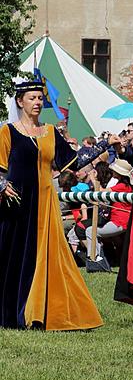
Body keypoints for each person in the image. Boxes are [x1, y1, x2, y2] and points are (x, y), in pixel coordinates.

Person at [0, 80, 114, 330]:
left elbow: (76, 161)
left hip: (44, 204)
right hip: (15, 203)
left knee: (46, 257)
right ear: (20, 101)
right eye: (32, 98)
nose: (38, 103)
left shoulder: (51, 132)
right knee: (14, 258)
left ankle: (41, 311)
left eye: (40, 98)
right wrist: (1, 185)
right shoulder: (8, 132)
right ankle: (10, 313)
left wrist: (105, 145)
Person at [83, 159, 133, 259]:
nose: (112, 172)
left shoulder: (122, 186)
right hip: (120, 220)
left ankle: (95, 258)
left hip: (120, 222)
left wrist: (93, 179)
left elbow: (102, 192)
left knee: (90, 231)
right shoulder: (124, 185)